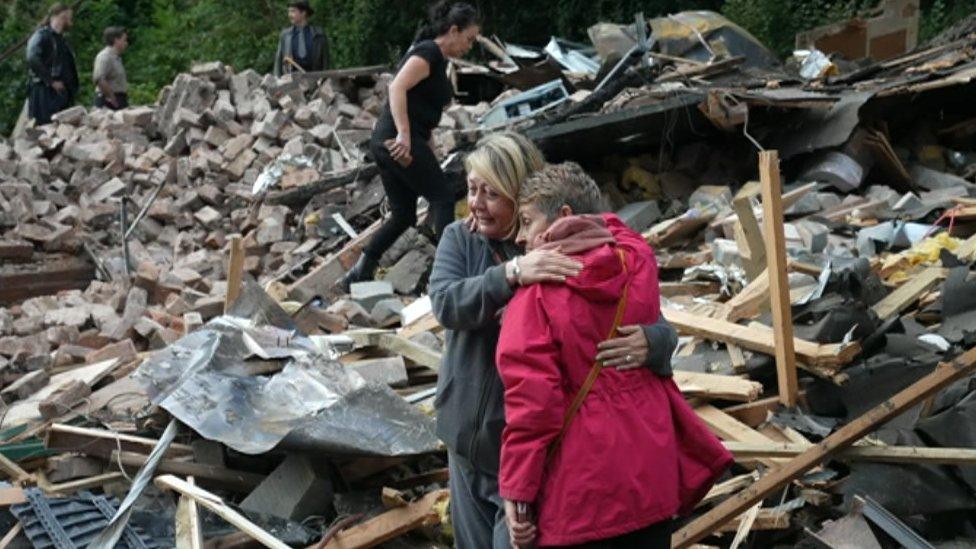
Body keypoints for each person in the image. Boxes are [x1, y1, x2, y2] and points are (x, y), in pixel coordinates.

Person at [429, 134, 681, 549]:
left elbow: (639, 311)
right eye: (471, 189)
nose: (475, 203)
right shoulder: (462, 238)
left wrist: (654, 343)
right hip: (466, 440)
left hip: (527, 450)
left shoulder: (567, 247)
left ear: (520, 193)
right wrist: (510, 273)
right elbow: (445, 302)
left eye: (490, 193)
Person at [496, 162, 733, 548]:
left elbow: (534, 406)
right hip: (651, 474)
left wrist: (517, 490)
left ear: (564, 218)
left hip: (583, 493)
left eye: (527, 222)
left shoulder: (536, 298)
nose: (522, 238)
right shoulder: (635, 266)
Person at [340, 2, 480, 290]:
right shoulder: (428, 52)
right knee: (442, 198)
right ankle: (449, 275)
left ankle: (361, 269)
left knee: (403, 214)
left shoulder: (437, 58)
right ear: (453, 31)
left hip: (392, 140)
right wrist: (404, 135)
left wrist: (429, 148)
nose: (470, 46)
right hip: (397, 141)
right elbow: (397, 87)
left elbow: (421, 111)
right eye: (469, 38)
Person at [26, 3, 79, 125]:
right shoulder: (42, 36)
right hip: (45, 94)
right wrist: (51, 81)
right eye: (69, 17)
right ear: (62, 16)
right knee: (46, 130)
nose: (71, 21)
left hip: (59, 94)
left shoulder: (60, 40)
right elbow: (32, 58)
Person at [273, 1, 330, 76]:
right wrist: (277, 79)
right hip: (290, 80)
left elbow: (326, 62)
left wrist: (325, 79)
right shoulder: (285, 35)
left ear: (303, 13)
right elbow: (279, 60)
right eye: (289, 12)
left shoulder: (319, 35)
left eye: (293, 11)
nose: (289, 15)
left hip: (315, 79)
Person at [93, 26, 129, 110]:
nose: (126, 43)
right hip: (108, 101)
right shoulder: (105, 56)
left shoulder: (116, 57)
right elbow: (99, 79)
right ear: (116, 40)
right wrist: (112, 98)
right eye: (124, 40)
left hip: (119, 98)